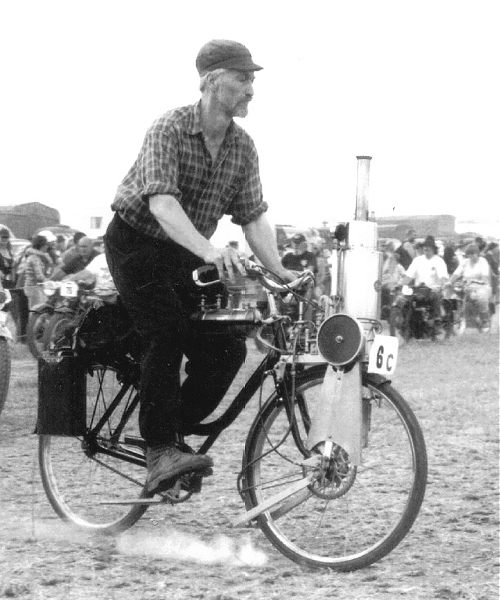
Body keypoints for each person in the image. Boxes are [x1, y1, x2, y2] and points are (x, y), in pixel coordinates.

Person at [104, 39, 295, 495]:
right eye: (243, 78)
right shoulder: (169, 128)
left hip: (182, 253)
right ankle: (158, 450)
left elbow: (252, 215)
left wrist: (281, 270)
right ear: (211, 81)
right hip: (135, 242)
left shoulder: (243, 147)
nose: (251, 89)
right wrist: (209, 252)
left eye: (253, 80)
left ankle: (174, 436)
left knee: (226, 347)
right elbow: (163, 204)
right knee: (165, 331)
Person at [403, 235, 449, 324]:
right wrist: (402, 284)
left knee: (434, 297)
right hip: (418, 290)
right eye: (425, 247)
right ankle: (406, 322)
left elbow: (443, 278)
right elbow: (409, 275)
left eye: (429, 247)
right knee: (405, 300)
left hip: (432, 290)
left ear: (433, 249)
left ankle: (436, 320)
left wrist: (439, 286)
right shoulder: (417, 260)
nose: (426, 249)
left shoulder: (439, 261)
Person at [451, 243, 491, 331]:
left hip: (481, 286)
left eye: (473, 253)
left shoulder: (483, 261)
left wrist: (474, 281)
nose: (471, 256)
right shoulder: (465, 262)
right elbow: (457, 273)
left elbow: (485, 277)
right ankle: (456, 319)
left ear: (477, 253)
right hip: (466, 286)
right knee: (453, 297)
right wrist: (450, 282)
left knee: (481, 298)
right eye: (469, 254)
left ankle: (485, 320)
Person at [23, 234, 54, 309]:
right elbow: (39, 276)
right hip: (34, 288)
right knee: (36, 311)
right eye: (46, 244)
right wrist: (50, 282)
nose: (47, 246)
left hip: (33, 287)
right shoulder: (34, 258)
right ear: (41, 245)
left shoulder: (35, 256)